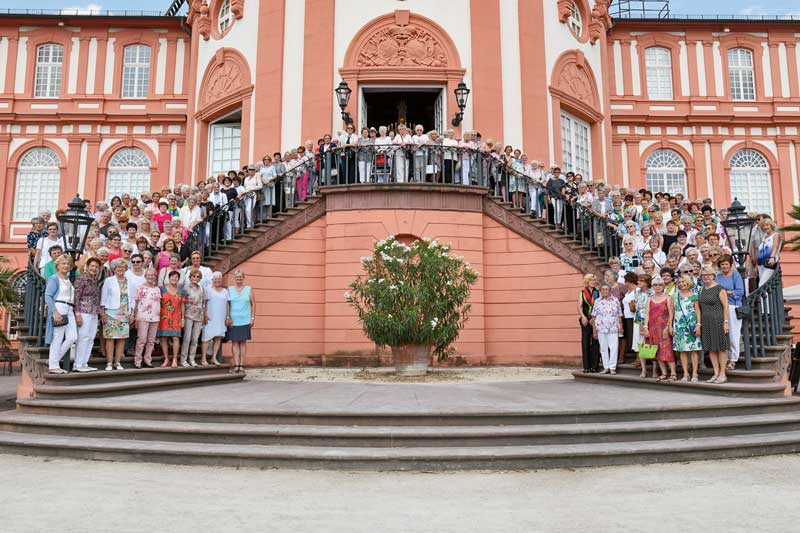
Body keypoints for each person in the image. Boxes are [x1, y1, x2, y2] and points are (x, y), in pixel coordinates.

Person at [44, 255, 77, 373]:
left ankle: (53, 360)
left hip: (69, 308)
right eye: (63, 263)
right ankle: (53, 366)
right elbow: (48, 296)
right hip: (59, 307)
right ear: (57, 265)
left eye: (68, 264)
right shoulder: (54, 278)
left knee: (73, 336)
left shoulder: (68, 279)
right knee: (57, 337)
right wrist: (54, 311)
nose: (66, 266)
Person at [699, 266, 730, 384]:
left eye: (708, 274)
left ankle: (723, 373)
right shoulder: (702, 289)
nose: (706, 276)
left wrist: (726, 322)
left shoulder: (719, 288)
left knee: (721, 347)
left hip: (718, 321)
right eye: (703, 275)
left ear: (713, 275)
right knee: (711, 348)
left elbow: (726, 306)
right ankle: (716, 373)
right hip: (706, 322)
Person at [642, 275, 676, 381]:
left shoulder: (668, 297)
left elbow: (671, 314)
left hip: (664, 327)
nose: (658, 286)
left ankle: (673, 373)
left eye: (660, 284)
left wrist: (668, 327)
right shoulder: (650, 298)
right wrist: (646, 327)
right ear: (652, 286)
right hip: (653, 328)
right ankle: (664, 373)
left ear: (663, 286)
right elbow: (647, 313)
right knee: (657, 351)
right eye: (655, 285)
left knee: (667, 350)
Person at [100, 259, 132, 371]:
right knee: (110, 338)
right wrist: (102, 312)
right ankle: (109, 363)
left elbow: (131, 299)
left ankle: (117, 362)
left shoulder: (129, 281)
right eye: (118, 267)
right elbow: (103, 297)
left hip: (124, 313)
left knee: (121, 339)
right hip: (111, 312)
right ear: (114, 268)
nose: (120, 269)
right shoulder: (109, 280)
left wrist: (131, 313)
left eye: (123, 267)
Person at [73, 257, 103, 372]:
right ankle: (78, 364)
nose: (94, 268)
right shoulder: (82, 279)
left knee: (90, 338)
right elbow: (76, 297)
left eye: (96, 267)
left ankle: (84, 363)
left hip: (94, 312)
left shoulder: (95, 280)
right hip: (83, 311)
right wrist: (77, 313)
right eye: (92, 266)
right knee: (83, 337)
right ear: (87, 266)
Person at [716, 254, 745, 370]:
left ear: (730, 264)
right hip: (720, 307)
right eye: (722, 264)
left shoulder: (735, 275)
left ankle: (733, 359)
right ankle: (725, 358)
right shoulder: (718, 276)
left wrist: (724, 292)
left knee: (733, 333)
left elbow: (739, 291)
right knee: (723, 334)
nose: (724, 266)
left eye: (726, 264)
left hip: (733, 306)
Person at [673, 274, 702, 382]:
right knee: (682, 351)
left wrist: (699, 325)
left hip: (692, 325)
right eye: (679, 282)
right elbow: (672, 312)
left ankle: (695, 373)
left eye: (683, 281)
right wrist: (670, 326)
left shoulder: (694, 295)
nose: (681, 284)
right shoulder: (675, 296)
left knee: (694, 350)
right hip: (679, 326)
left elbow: (698, 311)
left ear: (688, 282)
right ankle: (685, 373)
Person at [591, 282, 623, 375]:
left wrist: (621, 326)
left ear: (610, 290)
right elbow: (593, 316)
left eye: (606, 289)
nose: (605, 291)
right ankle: (606, 367)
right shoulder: (597, 301)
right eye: (603, 289)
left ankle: (612, 367)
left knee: (614, 348)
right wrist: (594, 330)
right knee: (603, 349)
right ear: (600, 291)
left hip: (613, 327)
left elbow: (619, 314)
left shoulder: (615, 300)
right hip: (601, 328)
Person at [227, 269, 255, 373]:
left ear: (243, 278)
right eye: (237, 277)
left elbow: (253, 304)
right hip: (234, 320)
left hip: (245, 319)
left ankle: (242, 364)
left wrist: (252, 318)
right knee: (234, 342)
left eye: (240, 277)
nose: (239, 279)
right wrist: (228, 317)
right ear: (234, 278)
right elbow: (228, 304)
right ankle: (236, 364)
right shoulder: (230, 289)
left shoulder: (249, 289)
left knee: (243, 342)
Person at [132, 268, 161, 368]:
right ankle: (137, 360)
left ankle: (147, 359)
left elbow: (158, 303)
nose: (150, 277)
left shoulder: (157, 289)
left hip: (155, 317)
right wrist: (134, 317)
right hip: (142, 317)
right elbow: (136, 303)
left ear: (155, 276)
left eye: (152, 275)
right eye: (148, 275)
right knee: (142, 339)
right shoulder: (140, 288)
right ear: (145, 276)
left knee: (151, 340)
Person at [158, 270, 186, 367]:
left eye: (176, 277)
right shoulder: (162, 289)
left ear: (178, 279)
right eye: (172, 277)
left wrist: (183, 319)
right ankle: (166, 359)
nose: (174, 279)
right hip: (164, 316)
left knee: (175, 338)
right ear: (168, 278)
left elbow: (183, 305)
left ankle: (174, 359)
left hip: (176, 317)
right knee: (164, 338)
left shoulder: (182, 291)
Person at [180, 269, 206, 367]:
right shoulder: (186, 288)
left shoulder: (201, 288)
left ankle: (192, 358)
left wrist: (203, 315)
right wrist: (182, 317)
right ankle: (183, 359)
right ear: (190, 277)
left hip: (198, 316)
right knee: (187, 338)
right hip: (188, 315)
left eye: (198, 276)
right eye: (193, 276)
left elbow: (203, 303)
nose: (195, 278)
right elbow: (182, 303)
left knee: (195, 339)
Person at [201, 272, 228, 366]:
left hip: (221, 317)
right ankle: (203, 358)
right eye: (215, 278)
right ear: (212, 279)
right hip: (210, 317)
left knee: (218, 337)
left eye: (219, 278)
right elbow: (203, 303)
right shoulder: (208, 289)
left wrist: (227, 317)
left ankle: (214, 358)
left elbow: (227, 304)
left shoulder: (225, 291)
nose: (217, 280)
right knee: (207, 338)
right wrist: (204, 314)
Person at [578, 274, 600, 373]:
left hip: (596, 320)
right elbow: (580, 306)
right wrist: (583, 316)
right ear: (587, 281)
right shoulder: (582, 292)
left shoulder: (598, 292)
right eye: (591, 280)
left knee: (595, 342)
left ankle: (594, 366)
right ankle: (586, 366)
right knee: (585, 342)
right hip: (586, 320)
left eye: (595, 280)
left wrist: (595, 319)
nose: (594, 281)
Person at [755, 218, 782, 286]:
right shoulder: (764, 237)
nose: (765, 227)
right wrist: (756, 265)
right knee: (765, 285)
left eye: (767, 225)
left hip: (769, 262)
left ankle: (764, 297)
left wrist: (772, 257)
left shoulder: (775, 235)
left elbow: (775, 247)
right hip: (760, 263)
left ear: (771, 225)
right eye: (763, 226)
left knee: (762, 285)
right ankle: (768, 297)